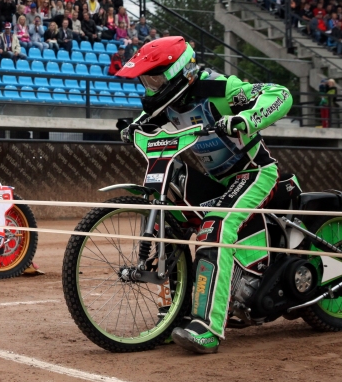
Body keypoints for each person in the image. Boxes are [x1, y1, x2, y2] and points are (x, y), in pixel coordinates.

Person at [116, 36, 292, 354]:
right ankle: (173, 314)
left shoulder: (218, 88)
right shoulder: (169, 102)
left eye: (154, 78)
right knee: (171, 217)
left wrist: (246, 119)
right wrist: (134, 126)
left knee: (216, 225)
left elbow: (279, 94)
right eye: (145, 80)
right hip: (219, 180)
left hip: (254, 172)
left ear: (178, 71)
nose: (149, 86)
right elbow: (150, 120)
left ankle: (208, 327)